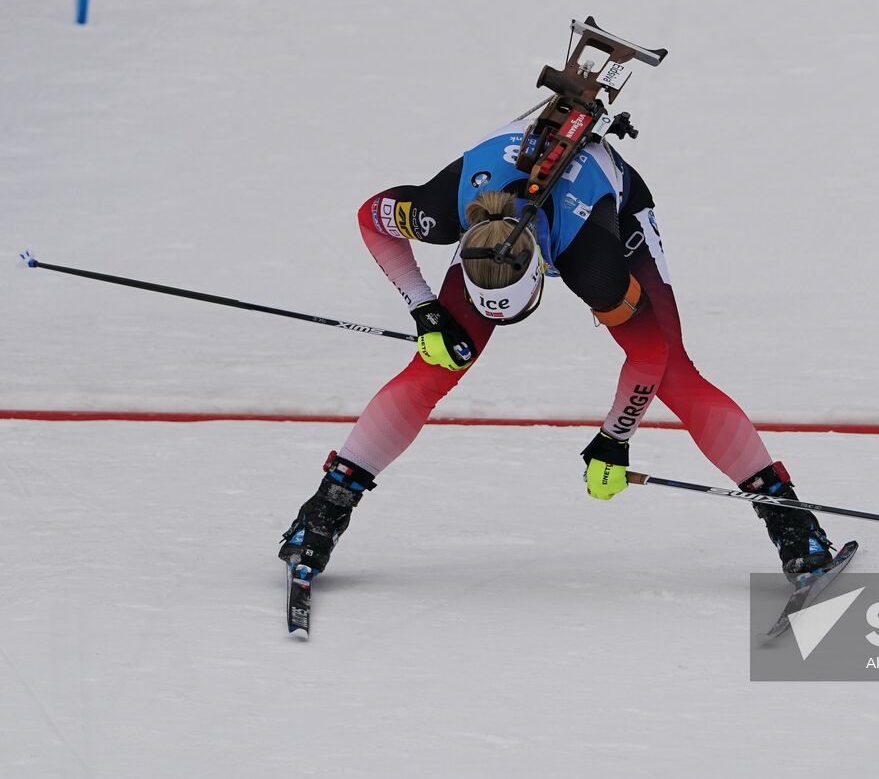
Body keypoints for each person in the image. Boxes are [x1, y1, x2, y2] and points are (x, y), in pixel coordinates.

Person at [277, 118, 835, 579]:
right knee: (439, 360)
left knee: (677, 374)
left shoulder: (594, 268)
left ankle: (792, 524)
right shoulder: (440, 211)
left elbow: (648, 358)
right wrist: (424, 309)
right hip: (506, 205)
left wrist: (615, 439)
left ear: (542, 278)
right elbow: (371, 219)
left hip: (604, 208)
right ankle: (323, 512)